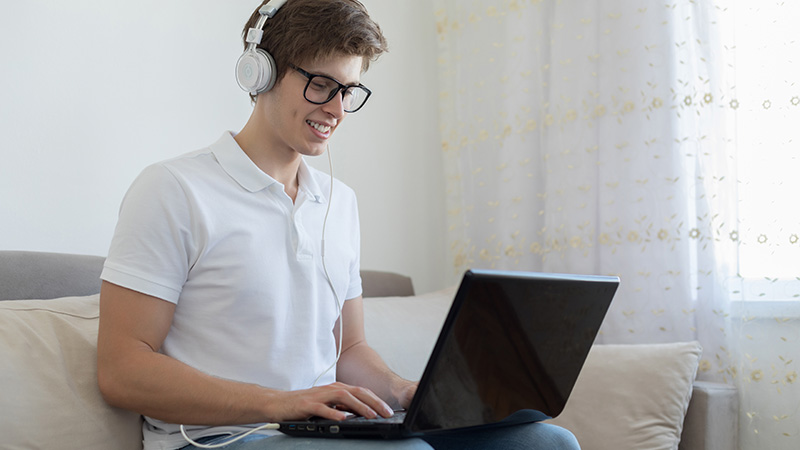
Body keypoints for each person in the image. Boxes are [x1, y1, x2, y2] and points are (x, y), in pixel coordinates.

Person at [96, 1, 581, 449]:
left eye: (348, 91)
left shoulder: (338, 202)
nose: (336, 110)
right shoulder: (173, 189)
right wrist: (278, 401)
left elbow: (349, 349)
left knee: (546, 443)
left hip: (320, 430)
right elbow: (122, 370)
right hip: (222, 438)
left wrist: (405, 392)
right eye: (322, 86)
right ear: (260, 72)